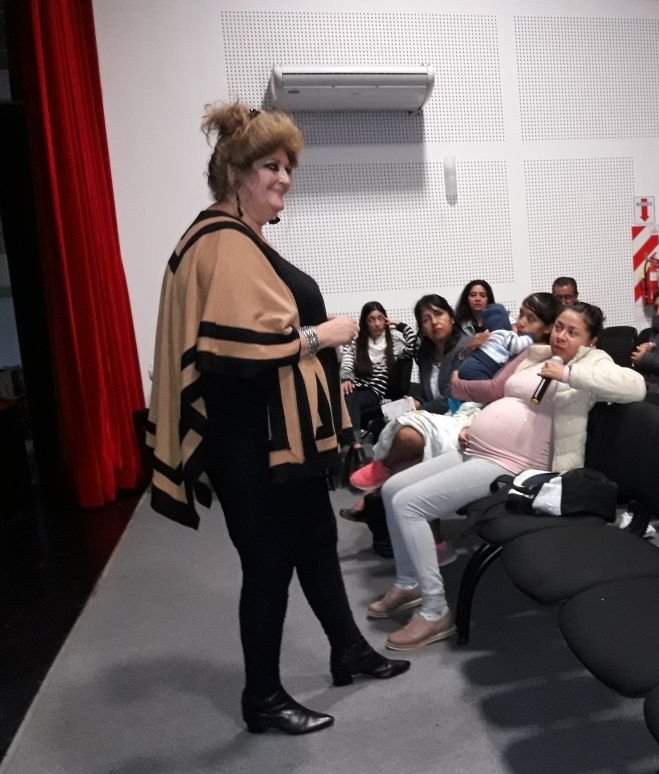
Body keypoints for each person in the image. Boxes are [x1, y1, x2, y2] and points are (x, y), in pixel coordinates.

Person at [147, 103, 408, 736]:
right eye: (270, 166)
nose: (285, 178)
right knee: (267, 565)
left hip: (281, 439)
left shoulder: (241, 239)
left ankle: (348, 649)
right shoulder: (223, 240)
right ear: (235, 173)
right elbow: (240, 350)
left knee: (316, 543)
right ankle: (261, 697)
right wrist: (326, 334)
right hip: (252, 441)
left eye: (289, 167)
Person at [367, 303, 646, 650]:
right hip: (478, 447)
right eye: (559, 327)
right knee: (393, 488)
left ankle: (435, 611)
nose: (561, 335)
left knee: (409, 504)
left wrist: (568, 374)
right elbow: (502, 394)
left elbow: (635, 387)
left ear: (591, 340)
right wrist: (473, 423)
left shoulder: (591, 361)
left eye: (573, 332)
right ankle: (410, 583)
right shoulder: (538, 353)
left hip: (515, 463)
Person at [349, 294, 471, 492]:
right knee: (387, 427)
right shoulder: (426, 354)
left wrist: (420, 407)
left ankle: (379, 473)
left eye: (438, 314)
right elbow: (426, 393)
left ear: (451, 317)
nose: (434, 322)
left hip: (460, 414)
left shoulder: (466, 347)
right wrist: (416, 402)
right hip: (432, 412)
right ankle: (376, 493)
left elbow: (454, 396)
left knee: (405, 436)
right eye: (426, 319)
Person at [339, 301, 417, 438]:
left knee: (351, 400)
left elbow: (413, 347)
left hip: (374, 391)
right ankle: (357, 436)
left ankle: (354, 441)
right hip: (356, 387)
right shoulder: (357, 342)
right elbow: (347, 361)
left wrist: (401, 326)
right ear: (365, 323)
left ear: (385, 320)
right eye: (371, 319)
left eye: (380, 318)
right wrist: (346, 378)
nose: (377, 323)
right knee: (346, 397)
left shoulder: (394, 342)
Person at [455, 302, 534, 383]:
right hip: (482, 365)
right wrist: (530, 337)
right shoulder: (505, 335)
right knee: (485, 388)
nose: (518, 325)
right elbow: (517, 345)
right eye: (514, 325)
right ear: (507, 325)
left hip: (471, 363)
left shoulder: (489, 335)